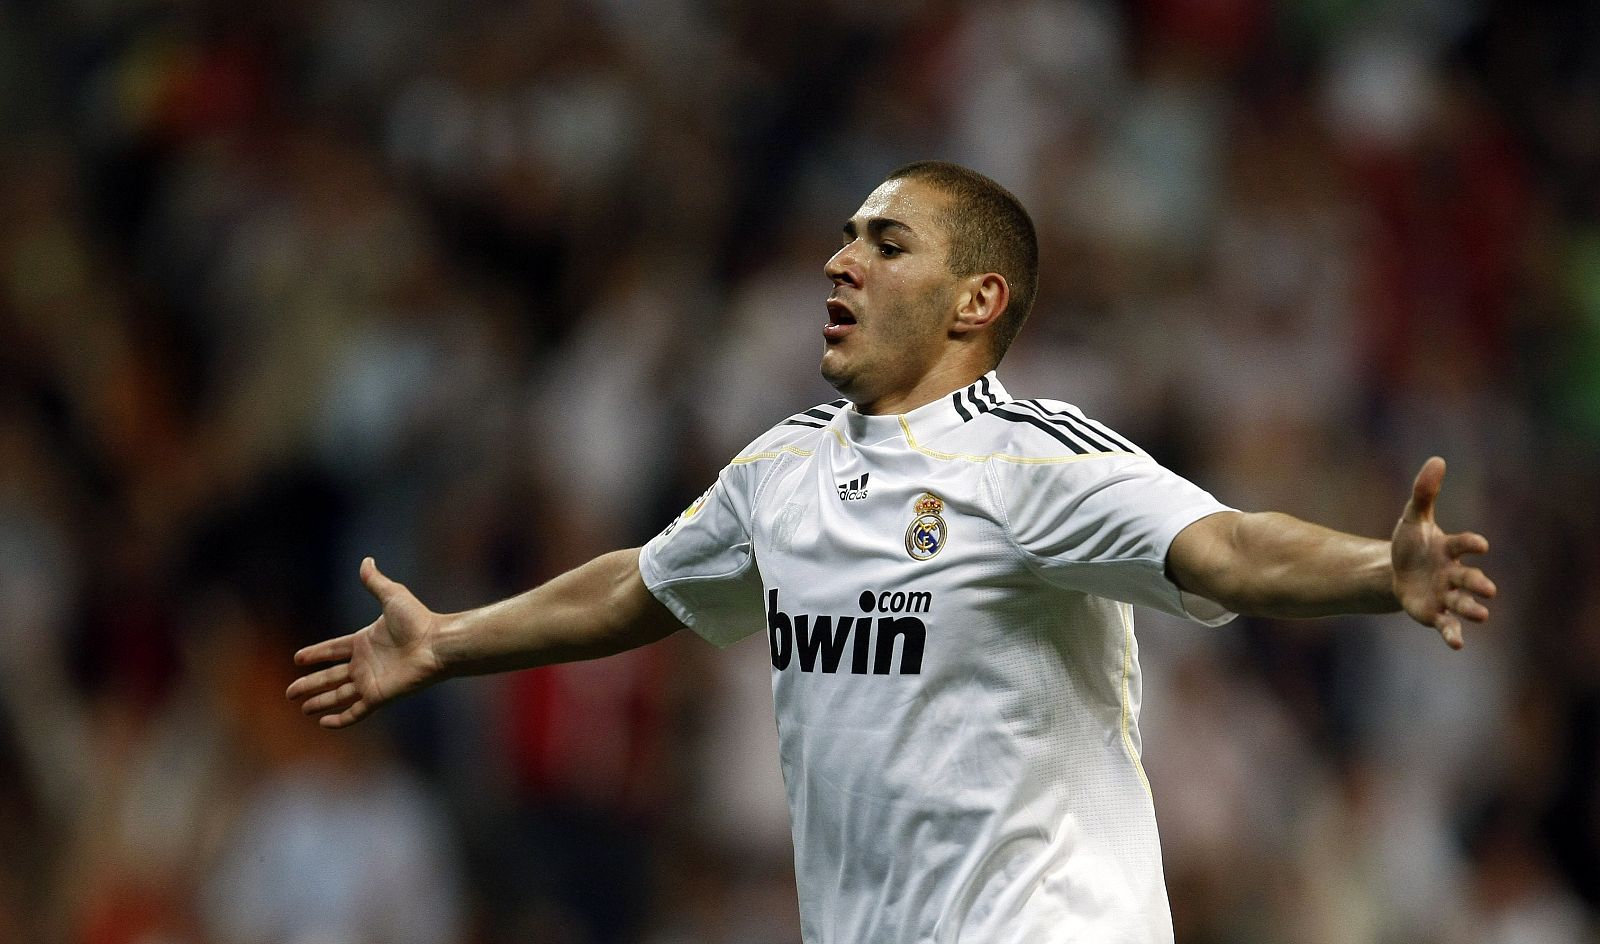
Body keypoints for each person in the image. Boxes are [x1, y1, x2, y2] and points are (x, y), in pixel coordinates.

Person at [287, 161, 1496, 944]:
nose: (839, 260)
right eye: (843, 237)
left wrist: (1373, 572)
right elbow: (643, 582)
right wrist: (451, 637)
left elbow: (1225, 545)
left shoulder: (1033, 460)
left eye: (885, 241)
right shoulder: (781, 471)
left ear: (975, 302)